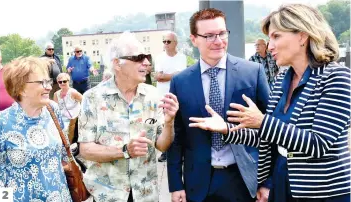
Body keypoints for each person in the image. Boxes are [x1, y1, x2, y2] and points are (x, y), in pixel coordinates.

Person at [189, 4, 351, 202]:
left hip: (323, 192)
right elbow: (268, 136)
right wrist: (227, 129)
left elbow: (317, 143)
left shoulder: (336, 77)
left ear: (302, 36)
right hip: (283, 182)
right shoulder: (283, 80)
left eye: (276, 36)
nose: (270, 46)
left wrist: (262, 121)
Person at [167, 8, 270, 202]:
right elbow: (177, 136)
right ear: (194, 39)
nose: (218, 40)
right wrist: (175, 184)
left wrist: (267, 182)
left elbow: (270, 128)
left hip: (243, 179)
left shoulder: (252, 72)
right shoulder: (180, 81)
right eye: (209, 35)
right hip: (197, 182)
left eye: (222, 33)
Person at [78, 32, 179, 202]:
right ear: (117, 64)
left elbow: (162, 146)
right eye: (139, 57)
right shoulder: (93, 98)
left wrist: (169, 123)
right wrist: (124, 151)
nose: (146, 62)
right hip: (109, 195)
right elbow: (86, 150)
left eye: (147, 57)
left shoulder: (153, 96)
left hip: (146, 194)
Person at [0, 56, 72, 201]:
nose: (49, 87)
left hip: (59, 196)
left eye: (48, 81)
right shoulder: (2, 122)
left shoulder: (53, 109)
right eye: (42, 82)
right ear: (21, 88)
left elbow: (64, 153)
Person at [155, 31, 187, 162]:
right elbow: (158, 77)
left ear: (175, 43)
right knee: (164, 124)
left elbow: (181, 76)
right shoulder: (159, 57)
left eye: (168, 41)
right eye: (164, 41)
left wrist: (165, 76)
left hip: (178, 95)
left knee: (179, 123)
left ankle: (180, 150)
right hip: (163, 96)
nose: (166, 44)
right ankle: (166, 152)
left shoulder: (182, 57)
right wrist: (174, 75)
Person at [53, 73, 82, 143]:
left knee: (68, 129)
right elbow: (55, 107)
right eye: (60, 82)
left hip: (73, 115)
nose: (62, 83)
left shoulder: (73, 92)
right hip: (62, 115)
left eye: (64, 81)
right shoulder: (56, 94)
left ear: (68, 81)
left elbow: (84, 101)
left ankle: (69, 144)